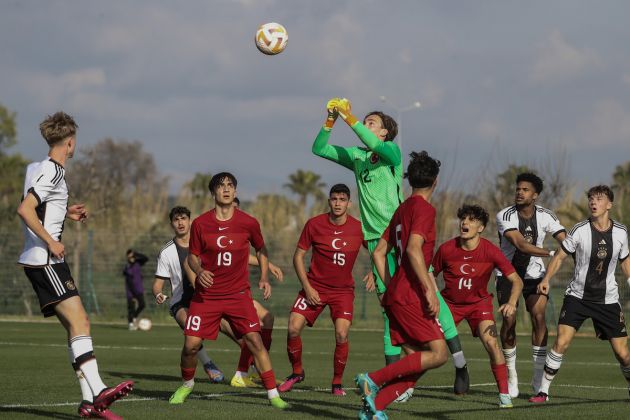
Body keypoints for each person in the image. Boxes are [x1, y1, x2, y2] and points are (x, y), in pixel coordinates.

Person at [312, 98, 469, 396]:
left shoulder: (391, 153)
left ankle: (460, 363)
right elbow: (319, 148)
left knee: (430, 296)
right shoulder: (359, 158)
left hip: (402, 238)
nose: (367, 125)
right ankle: (398, 383)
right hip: (377, 243)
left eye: (373, 123)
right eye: (366, 121)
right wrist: (332, 119)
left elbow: (367, 138)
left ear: (384, 133)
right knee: (390, 311)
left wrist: (350, 117)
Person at [17, 111, 133, 418]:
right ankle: (98, 391)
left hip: (42, 261)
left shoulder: (39, 168)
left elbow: (39, 205)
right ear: (70, 143)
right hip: (46, 260)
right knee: (80, 321)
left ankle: (87, 402)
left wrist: (65, 212)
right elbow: (26, 210)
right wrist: (51, 241)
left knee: (76, 326)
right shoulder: (52, 172)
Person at [169, 172, 287, 409]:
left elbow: (261, 250)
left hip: (238, 295)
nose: (226, 189)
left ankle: (274, 395)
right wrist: (200, 270)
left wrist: (264, 276)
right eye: (221, 186)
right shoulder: (201, 223)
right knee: (190, 346)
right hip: (207, 297)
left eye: (230, 185)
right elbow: (192, 257)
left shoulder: (248, 222)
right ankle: (187, 385)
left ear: (235, 191)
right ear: (213, 192)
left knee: (255, 341)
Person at [355, 151, 448, 419]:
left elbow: (377, 253)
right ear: (436, 181)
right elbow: (413, 250)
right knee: (439, 354)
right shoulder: (424, 209)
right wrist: (428, 289)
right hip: (410, 295)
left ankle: (376, 407)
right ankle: (371, 379)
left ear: (410, 180)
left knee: (416, 362)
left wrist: (390, 287)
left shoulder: (401, 209)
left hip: (396, 294)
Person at [529, 185, 630, 403]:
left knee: (623, 354)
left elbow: (625, 261)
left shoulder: (621, 232)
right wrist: (546, 279)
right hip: (577, 297)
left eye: (599, 199)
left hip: (608, 300)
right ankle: (543, 392)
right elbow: (559, 257)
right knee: (561, 342)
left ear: (609, 205)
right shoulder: (579, 230)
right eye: (591, 199)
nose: (593, 202)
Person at [278, 184, 375, 395]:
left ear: (349, 203)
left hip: (342, 292)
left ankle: (337, 383)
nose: (338, 203)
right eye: (334, 199)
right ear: (329, 201)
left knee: (341, 333)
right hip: (314, 287)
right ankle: (296, 372)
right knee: (293, 327)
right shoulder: (314, 224)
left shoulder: (358, 228)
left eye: (342, 199)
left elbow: (378, 249)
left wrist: (375, 272)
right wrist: (307, 287)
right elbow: (298, 257)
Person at [433, 204, 524, 408]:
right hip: (449, 305)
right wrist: (432, 298)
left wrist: (511, 303)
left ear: (481, 227)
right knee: (429, 345)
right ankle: (456, 367)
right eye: (463, 218)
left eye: (471, 220)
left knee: (491, 343)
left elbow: (517, 281)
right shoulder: (446, 249)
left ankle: (504, 395)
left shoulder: (491, 251)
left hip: (478, 304)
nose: (465, 223)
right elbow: (429, 274)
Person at [495, 172, 566, 397]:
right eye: (518, 189)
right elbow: (521, 245)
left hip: (535, 276)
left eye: (525, 190)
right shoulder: (505, 215)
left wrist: (573, 247)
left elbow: (567, 240)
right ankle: (512, 374)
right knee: (509, 320)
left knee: (539, 317)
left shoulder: (546, 216)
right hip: (507, 276)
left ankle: (537, 377)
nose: (519, 192)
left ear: (535, 195)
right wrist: (553, 252)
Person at [152, 206, 224, 383]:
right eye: (176, 220)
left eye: (183, 218)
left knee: (237, 330)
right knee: (191, 327)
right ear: (172, 224)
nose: (180, 222)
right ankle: (208, 364)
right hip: (181, 302)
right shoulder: (166, 252)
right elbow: (157, 285)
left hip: (208, 298)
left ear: (190, 220)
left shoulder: (203, 242)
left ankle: (250, 367)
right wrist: (158, 294)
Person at [123, 249, 148, 330]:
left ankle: (134, 317)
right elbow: (129, 280)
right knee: (131, 307)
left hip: (138, 289)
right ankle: (131, 324)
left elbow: (145, 258)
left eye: (132, 256)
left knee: (142, 304)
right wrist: (133, 294)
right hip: (130, 291)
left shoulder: (138, 263)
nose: (131, 258)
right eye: (129, 256)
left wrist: (136, 254)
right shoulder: (127, 267)